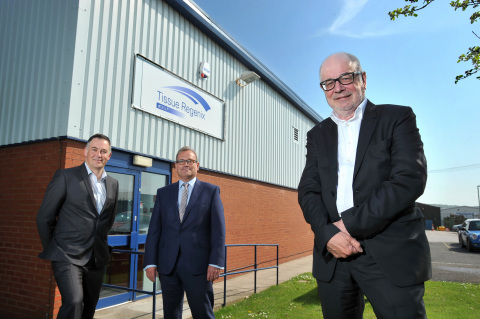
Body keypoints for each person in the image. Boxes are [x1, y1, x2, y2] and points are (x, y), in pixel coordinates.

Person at [298, 52, 431, 318]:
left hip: (389, 252)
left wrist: (344, 226)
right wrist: (327, 235)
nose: (338, 88)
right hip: (333, 255)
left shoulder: (397, 118)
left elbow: (409, 179)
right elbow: (308, 191)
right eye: (328, 82)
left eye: (345, 77)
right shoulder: (318, 134)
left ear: (363, 79)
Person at [36, 134, 119, 319]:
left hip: (96, 258)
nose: (99, 154)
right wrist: (54, 249)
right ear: (86, 151)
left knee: (88, 308)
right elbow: (44, 217)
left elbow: (107, 220)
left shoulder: (113, 184)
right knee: (74, 302)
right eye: (95, 149)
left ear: (109, 155)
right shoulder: (66, 176)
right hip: (67, 255)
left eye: (104, 151)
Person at [144, 146, 226, 319]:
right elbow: (154, 230)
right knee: (171, 314)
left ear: (198, 165)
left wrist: (216, 262)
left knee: (203, 313)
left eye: (190, 161)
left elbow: (218, 231)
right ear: (176, 166)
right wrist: (150, 262)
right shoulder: (163, 193)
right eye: (181, 161)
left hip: (199, 267)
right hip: (168, 266)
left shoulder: (211, 191)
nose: (185, 164)